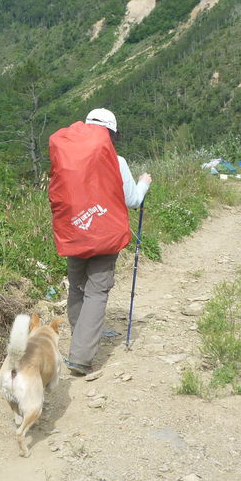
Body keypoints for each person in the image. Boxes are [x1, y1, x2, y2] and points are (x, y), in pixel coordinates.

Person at [62, 108, 151, 375]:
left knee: (77, 287)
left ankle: (81, 339)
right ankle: (80, 356)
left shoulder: (68, 159)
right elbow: (133, 201)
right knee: (97, 291)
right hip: (103, 234)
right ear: (110, 135)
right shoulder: (117, 160)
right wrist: (144, 182)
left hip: (75, 230)